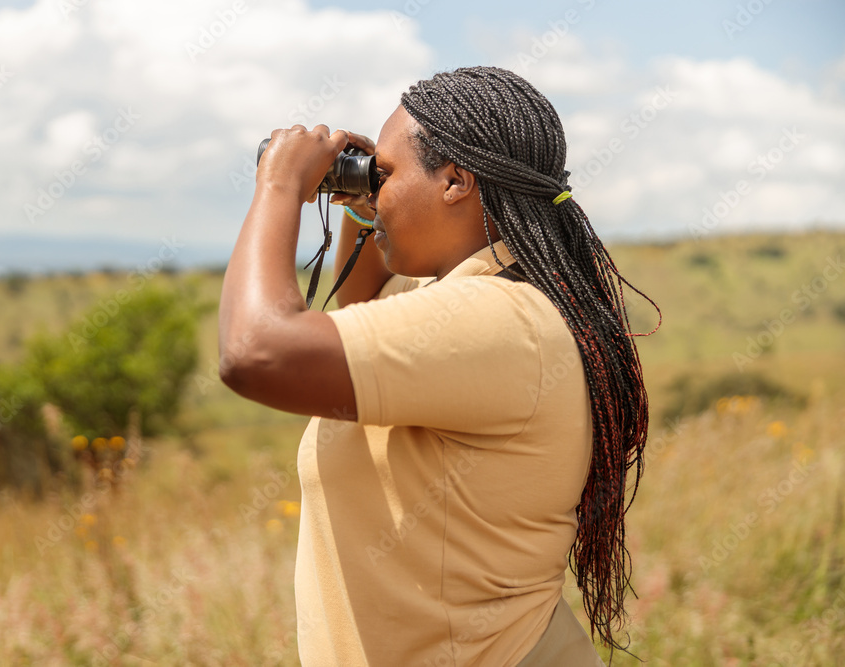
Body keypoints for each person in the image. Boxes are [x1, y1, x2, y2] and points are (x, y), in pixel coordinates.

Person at [218, 66, 656, 666]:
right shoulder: (483, 295)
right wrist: (363, 196)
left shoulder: (498, 320)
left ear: (454, 181)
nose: (376, 194)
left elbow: (254, 352)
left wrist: (279, 187)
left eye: (387, 175)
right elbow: (361, 305)